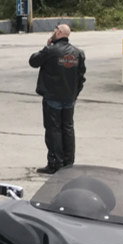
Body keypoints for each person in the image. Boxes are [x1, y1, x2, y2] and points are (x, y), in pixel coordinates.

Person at [29, 24, 86, 174]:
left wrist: (46, 47)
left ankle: (55, 162)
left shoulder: (51, 51)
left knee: (53, 129)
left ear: (59, 32)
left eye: (55, 30)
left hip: (53, 96)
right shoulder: (78, 53)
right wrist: (75, 93)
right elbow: (81, 77)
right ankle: (68, 161)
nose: (53, 33)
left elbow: (33, 61)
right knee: (67, 128)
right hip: (69, 97)